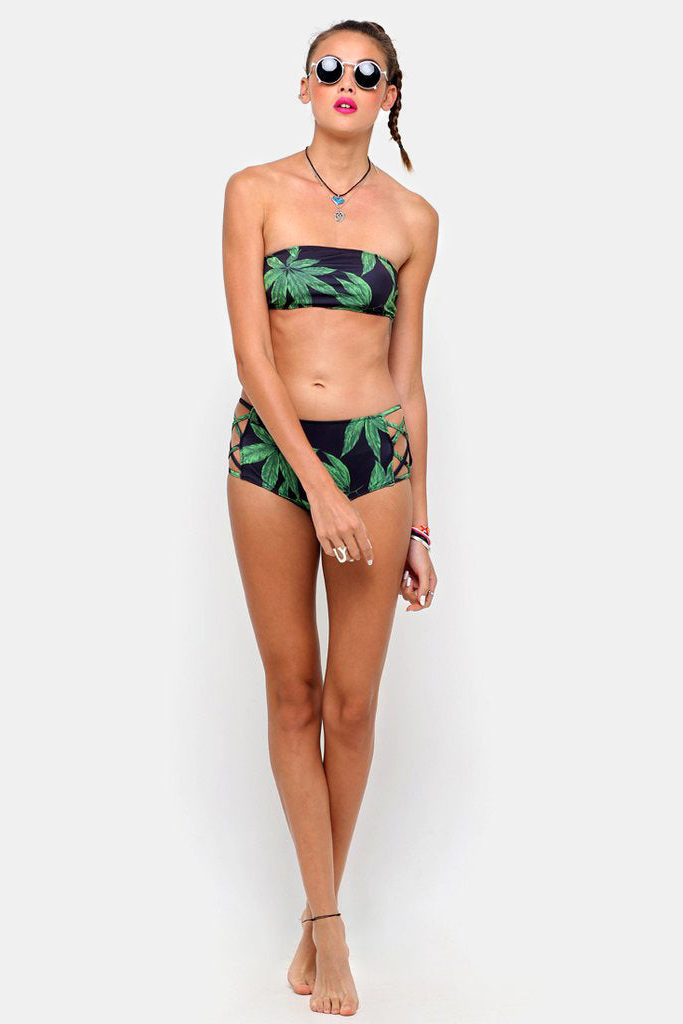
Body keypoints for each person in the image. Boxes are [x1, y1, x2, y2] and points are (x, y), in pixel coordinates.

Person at [223, 19, 439, 1016]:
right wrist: (315, 485)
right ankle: (330, 923)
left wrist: (420, 521)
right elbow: (252, 354)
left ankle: (319, 914)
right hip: (275, 460)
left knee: (352, 705)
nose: (346, 81)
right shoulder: (254, 192)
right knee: (293, 695)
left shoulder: (414, 218)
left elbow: (408, 377)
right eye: (330, 68)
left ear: (389, 94)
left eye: (367, 72)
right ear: (304, 85)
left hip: (375, 460)